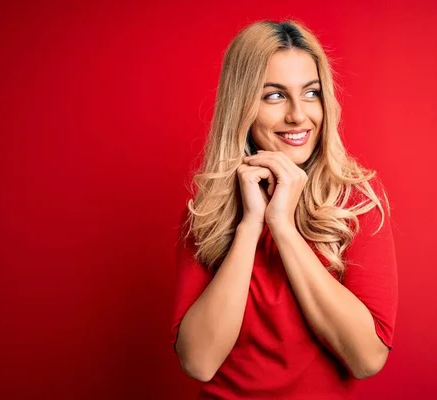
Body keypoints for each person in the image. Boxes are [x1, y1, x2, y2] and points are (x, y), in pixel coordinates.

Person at [170, 19, 398, 399]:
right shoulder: (205, 212)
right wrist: (250, 224)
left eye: (311, 93)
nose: (298, 115)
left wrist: (283, 226)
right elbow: (199, 361)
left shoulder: (356, 202)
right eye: (274, 96)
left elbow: (367, 359)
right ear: (241, 105)